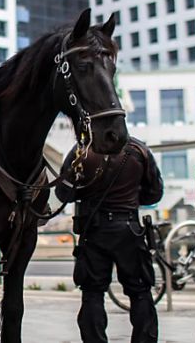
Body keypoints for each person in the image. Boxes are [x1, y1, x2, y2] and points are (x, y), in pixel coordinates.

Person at [62, 136, 163, 343]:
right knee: (140, 291)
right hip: (129, 228)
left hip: (94, 231)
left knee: (92, 293)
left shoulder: (82, 150)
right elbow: (154, 194)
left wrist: (86, 190)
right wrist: (132, 197)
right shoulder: (139, 150)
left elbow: (64, 193)